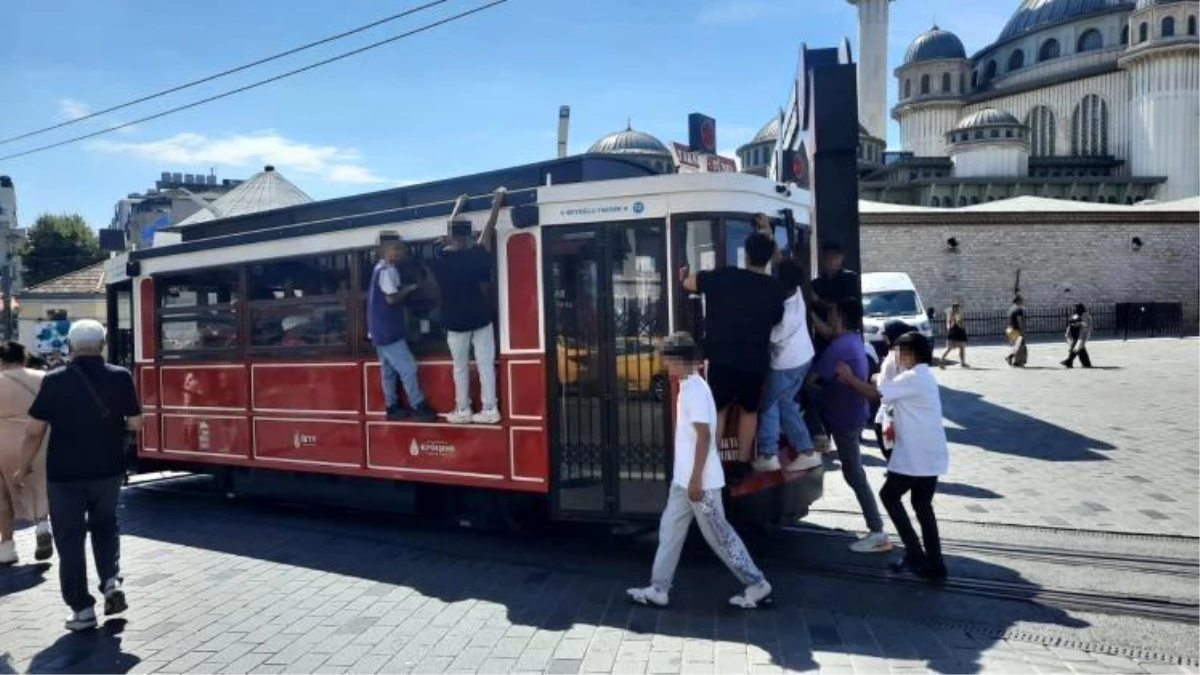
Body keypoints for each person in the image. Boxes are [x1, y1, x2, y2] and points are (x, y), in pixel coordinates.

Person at [12, 321, 144, 630]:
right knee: (106, 526)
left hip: (64, 473)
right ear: (103, 344)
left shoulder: (55, 379)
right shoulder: (121, 377)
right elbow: (136, 424)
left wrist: (22, 466)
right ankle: (111, 581)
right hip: (108, 469)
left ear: (70, 346)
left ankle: (82, 609)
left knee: (69, 539)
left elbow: (34, 432)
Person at [626, 332, 772, 609]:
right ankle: (659, 587)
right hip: (685, 481)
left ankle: (757, 584)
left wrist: (695, 480)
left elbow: (704, 436)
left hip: (699, 483)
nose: (666, 367)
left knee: (719, 536)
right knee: (670, 529)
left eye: (669, 361)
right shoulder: (691, 386)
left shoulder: (694, 390)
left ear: (681, 361)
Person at [836, 332, 950, 580]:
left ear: (909, 354)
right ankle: (935, 562)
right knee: (922, 506)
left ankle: (915, 554)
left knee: (889, 496)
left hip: (914, 457)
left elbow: (875, 393)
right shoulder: (923, 377)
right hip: (930, 456)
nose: (895, 356)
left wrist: (848, 377)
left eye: (898, 352)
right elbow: (884, 387)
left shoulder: (910, 378)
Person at [680, 230, 785, 462]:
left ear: (745, 255)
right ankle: (742, 463)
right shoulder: (774, 288)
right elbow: (777, 319)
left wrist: (685, 273)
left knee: (718, 410)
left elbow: (688, 283)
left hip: (721, 357)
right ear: (768, 259)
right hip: (755, 360)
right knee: (749, 411)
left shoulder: (725, 276)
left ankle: (712, 463)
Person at [810, 299, 891, 553]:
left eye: (833, 313)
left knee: (854, 473)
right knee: (852, 472)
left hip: (844, 418)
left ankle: (877, 530)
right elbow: (828, 332)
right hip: (851, 415)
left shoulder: (839, 346)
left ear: (841, 316)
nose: (830, 318)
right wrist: (809, 311)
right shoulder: (853, 339)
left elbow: (811, 379)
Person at [432, 188, 506, 424]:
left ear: (450, 238)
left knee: (460, 367)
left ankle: (463, 409)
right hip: (480, 318)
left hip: (455, 323)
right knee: (485, 364)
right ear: (468, 238)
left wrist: (458, 205)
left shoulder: (440, 257)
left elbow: (450, 229)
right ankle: (489, 409)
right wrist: (497, 203)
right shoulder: (475, 255)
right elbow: (487, 233)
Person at [754, 259, 820, 474]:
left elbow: (768, 339)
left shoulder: (784, 317)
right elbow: (782, 259)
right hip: (804, 358)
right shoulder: (797, 293)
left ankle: (768, 454)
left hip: (786, 364)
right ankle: (806, 451)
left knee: (769, 404)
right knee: (786, 403)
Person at [367, 232, 438, 422]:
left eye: (400, 248)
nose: (399, 252)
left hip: (379, 330)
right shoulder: (386, 270)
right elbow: (391, 298)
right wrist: (408, 289)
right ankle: (417, 405)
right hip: (389, 330)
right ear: (384, 250)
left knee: (388, 371)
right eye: (395, 248)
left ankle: (392, 406)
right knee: (408, 367)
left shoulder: (380, 268)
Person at [806, 240, 860, 455]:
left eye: (835, 256)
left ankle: (848, 434)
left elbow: (846, 308)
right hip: (821, 342)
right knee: (819, 390)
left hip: (842, 343)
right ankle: (824, 436)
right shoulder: (817, 282)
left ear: (841, 258)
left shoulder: (848, 279)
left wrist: (818, 301)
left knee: (843, 388)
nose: (831, 261)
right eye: (827, 256)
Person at [0, 341, 51, 565]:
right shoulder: (43, 378)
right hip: (40, 437)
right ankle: (42, 525)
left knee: (2, 495)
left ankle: (8, 546)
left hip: (3, 440)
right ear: (23, 358)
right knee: (40, 484)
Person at [873, 321, 916, 462]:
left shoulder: (896, 355)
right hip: (895, 408)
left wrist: (876, 378)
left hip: (891, 410)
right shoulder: (904, 352)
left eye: (885, 335)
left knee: (890, 445)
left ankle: (897, 468)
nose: (883, 338)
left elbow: (888, 383)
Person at [1062, 303, 1092, 369]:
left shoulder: (1085, 316)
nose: (1074, 309)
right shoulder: (1075, 315)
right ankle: (1086, 363)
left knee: (1076, 348)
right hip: (1074, 334)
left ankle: (1069, 361)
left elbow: (1086, 325)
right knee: (1080, 350)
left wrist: (1078, 324)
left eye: (1075, 308)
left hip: (1081, 334)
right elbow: (1071, 323)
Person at [940, 303, 969, 369]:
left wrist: (950, 329)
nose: (957, 309)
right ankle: (962, 363)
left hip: (953, 333)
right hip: (958, 333)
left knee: (950, 349)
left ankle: (941, 361)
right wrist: (962, 326)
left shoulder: (950, 315)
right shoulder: (956, 314)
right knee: (961, 348)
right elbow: (958, 323)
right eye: (957, 307)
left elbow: (948, 325)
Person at [1005, 295, 1027, 367]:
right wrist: (1022, 331)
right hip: (1015, 330)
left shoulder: (1011, 309)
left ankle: (1016, 360)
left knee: (1017, 345)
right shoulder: (1019, 309)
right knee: (1020, 345)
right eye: (1021, 300)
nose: (1023, 301)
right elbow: (1019, 320)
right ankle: (1012, 358)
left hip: (1009, 329)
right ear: (1018, 301)